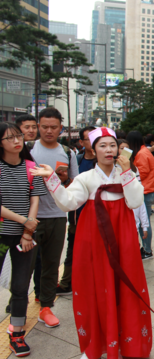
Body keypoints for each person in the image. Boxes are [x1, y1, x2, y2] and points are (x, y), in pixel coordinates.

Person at [30, 127, 152, 359]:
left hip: (122, 238)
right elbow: (67, 203)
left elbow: (136, 201)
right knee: (92, 288)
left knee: (122, 288)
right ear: (93, 150)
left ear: (119, 149)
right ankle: (92, 349)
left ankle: (119, 347)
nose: (109, 150)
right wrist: (51, 178)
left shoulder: (126, 174)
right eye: (102, 146)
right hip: (93, 237)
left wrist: (128, 171)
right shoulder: (86, 178)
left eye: (112, 145)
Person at [29, 107, 79, 328]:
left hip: (58, 216)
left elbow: (75, 187)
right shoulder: (28, 150)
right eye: (44, 127)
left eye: (54, 127)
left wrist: (65, 179)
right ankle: (18, 302)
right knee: (26, 264)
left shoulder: (68, 153)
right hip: (30, 217)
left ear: (61, 128)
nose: (49, 131)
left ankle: (46, 306)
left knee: (51, 264)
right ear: (38, 126)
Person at [0, 123, 46, 357]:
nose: (17, 141)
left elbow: (35, 199)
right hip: (3, 232)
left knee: (20, 287)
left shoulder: (31, 167)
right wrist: (24, 221)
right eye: (10, 138)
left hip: (25, 236)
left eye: (18, 136)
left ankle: (16, 334)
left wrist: (28, 231)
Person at [55, 126, 97, 296]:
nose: (95, 143)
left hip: (99, 217)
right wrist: (63, 181)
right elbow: (70, 187)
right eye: (90, 139)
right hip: (77, 215)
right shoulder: (77, 160)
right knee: (73, 250)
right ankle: (66, 283)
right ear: (81, 142)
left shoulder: (107, 163)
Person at [127, 130, 154, 260]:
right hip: (149, 189)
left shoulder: (140, 154)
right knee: (144, 220)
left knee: (143, 221)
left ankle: (147, 250)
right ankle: (146, 249)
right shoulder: (144, 151)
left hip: (146, 190)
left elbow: (142, 173)